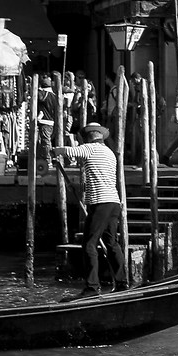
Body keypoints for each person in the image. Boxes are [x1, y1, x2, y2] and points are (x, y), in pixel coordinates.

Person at [59, 119, 125, 293]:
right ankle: (122, 282)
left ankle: (92, 286)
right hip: (114, 202)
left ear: (90, 137)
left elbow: (69, 151)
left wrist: (54, 150)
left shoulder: (90, 148)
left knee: (89, 244)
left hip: (101, 203)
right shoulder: (110, 153)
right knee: (112, 243)